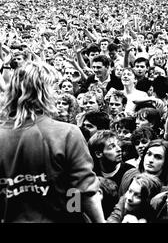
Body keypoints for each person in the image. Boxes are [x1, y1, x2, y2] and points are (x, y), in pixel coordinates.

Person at [0, 62, 104, 222]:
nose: (57, 94)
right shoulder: (68, 133)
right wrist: (76, 213)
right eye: (53, 88)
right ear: (43, 92)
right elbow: (81, 192)